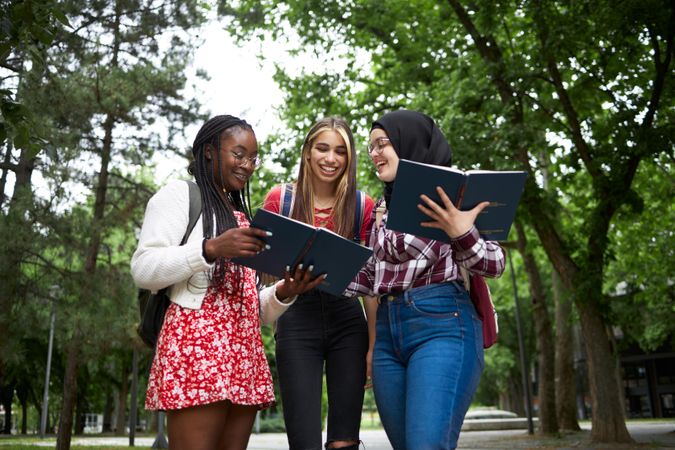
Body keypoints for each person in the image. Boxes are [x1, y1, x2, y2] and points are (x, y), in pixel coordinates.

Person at [130, 115, 324, 450]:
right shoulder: (181, 196)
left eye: (253, 158)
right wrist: (210, 248)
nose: (247, 165)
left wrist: (285, 292)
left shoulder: (243, 217)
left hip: (243, 354)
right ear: (209, 151)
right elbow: (144, 268)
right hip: (197, 349)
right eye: (238, 154)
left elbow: (246, 305)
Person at [345, 110, 506, 450]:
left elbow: (493, 264)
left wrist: (462, 232)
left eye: (382, 144)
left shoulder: (457, 196)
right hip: (389, 332)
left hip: (442, 324)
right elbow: (375, 275)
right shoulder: (381, 210)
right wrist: (322, 270)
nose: (373, 154)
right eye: (371, 147)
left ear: (410, 144)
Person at [262, 117, 375, 450]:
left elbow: (370, 284)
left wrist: (372, 345)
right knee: (304, 440)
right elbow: (266, 274)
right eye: (323, 148)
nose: (331, 158)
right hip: (296, 320)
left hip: (347, 320)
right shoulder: (280, 200)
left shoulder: (361, 205)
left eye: (341, 151)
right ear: (307, 153)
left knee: (344, 441)